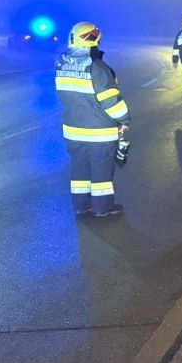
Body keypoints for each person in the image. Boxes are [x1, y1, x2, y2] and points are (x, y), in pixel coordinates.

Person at [54, 22, 130, 217]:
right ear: (93, 39)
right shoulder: (97, 67)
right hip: (99, 133)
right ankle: (102, 208)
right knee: (101, 173)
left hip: (73, 130)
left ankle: (81, 205)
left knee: (79, 170)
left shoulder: (61, 62)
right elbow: (111, 102)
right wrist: (125, 120)